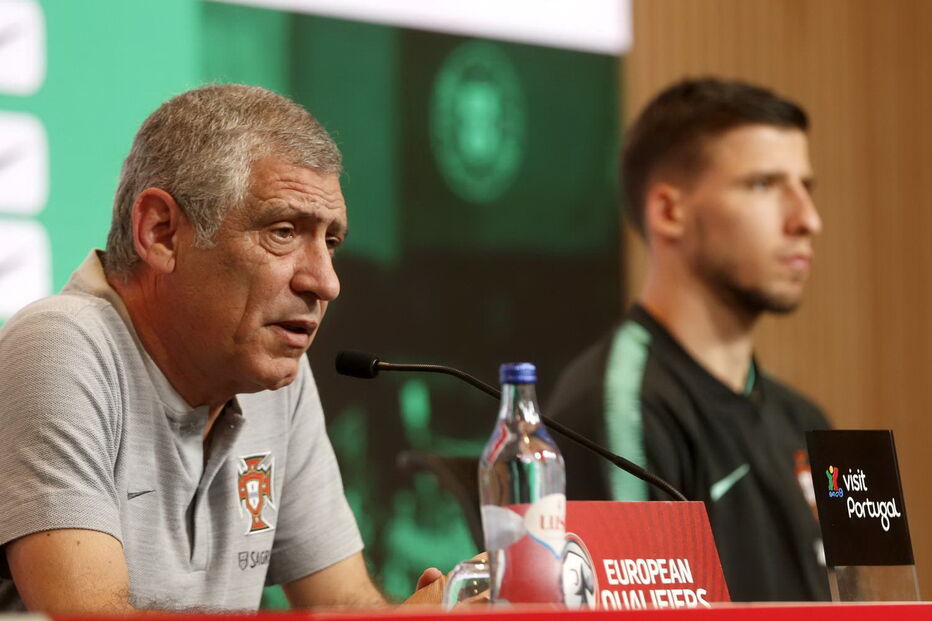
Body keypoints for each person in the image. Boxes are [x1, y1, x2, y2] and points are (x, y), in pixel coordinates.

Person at [0, 85, 444, 613]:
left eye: (330, 243)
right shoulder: (61, 345)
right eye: (283, 231)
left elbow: (345, 603)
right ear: (161, 233)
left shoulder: (272, 375)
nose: (326, 283)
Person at [548, 78, 830, 602]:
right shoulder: (619, 410)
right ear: (670, 212)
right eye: (764, 185)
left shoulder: (808, 423)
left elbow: (873, 599)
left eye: (806, 187)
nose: (807, 220)